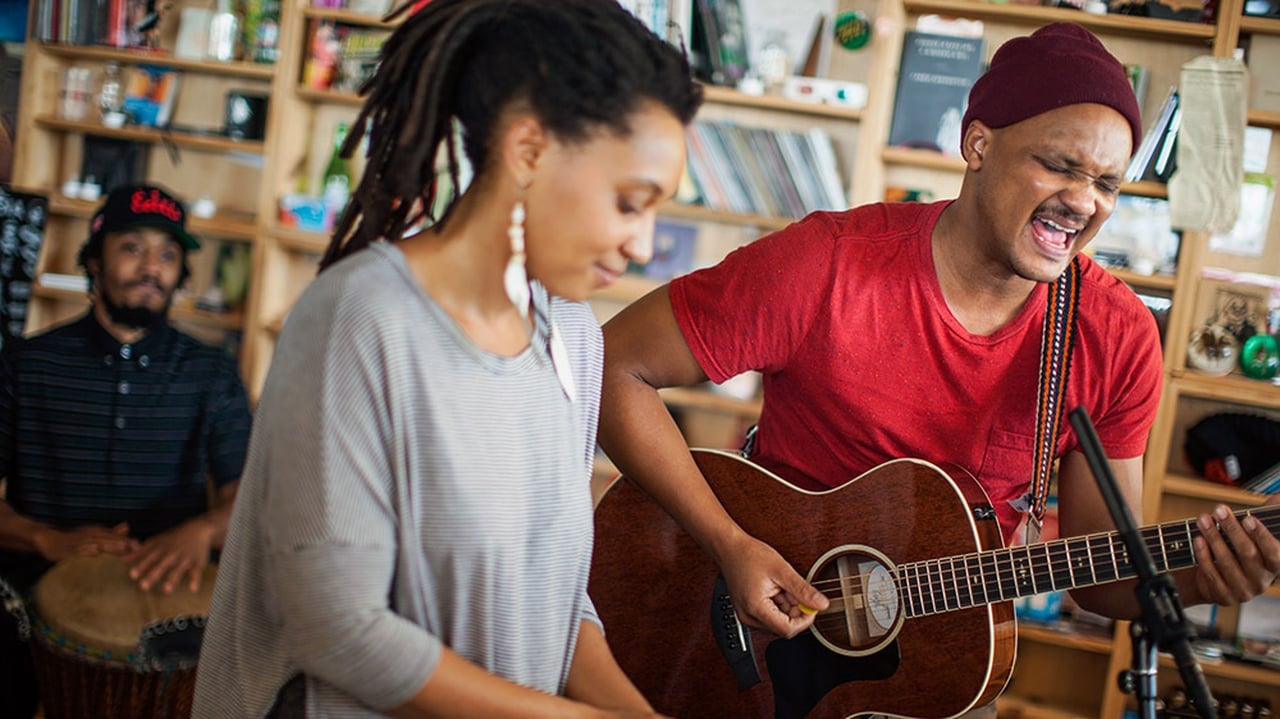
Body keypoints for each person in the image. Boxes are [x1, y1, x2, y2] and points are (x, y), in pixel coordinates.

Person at [597, 22, 1280, 717]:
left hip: (941, 681)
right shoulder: (827, 264)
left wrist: (1201, 579)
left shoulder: (1115, 335)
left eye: (1107, 181)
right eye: (1060, 165)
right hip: (742, 638)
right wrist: (729, 542)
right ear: (978, 143)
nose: (1085, 201)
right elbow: (614, 365)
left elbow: (1099, 575)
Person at [191, 0, 701, 716]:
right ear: (528, 151)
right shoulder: (365, 319)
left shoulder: (573, 335)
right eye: (629, 202)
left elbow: (556, 596)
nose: (644, 244)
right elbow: (338, 630)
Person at [0, 183, 252, 718]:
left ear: (181, 274)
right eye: (132, 247)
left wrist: (203, 531)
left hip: (168, 600)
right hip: (32, 594)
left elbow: (249, 498)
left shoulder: (211, 373)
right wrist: (47, 539)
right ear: (94, 260)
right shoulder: (28, 364)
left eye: (167, 254)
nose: (150, 268)